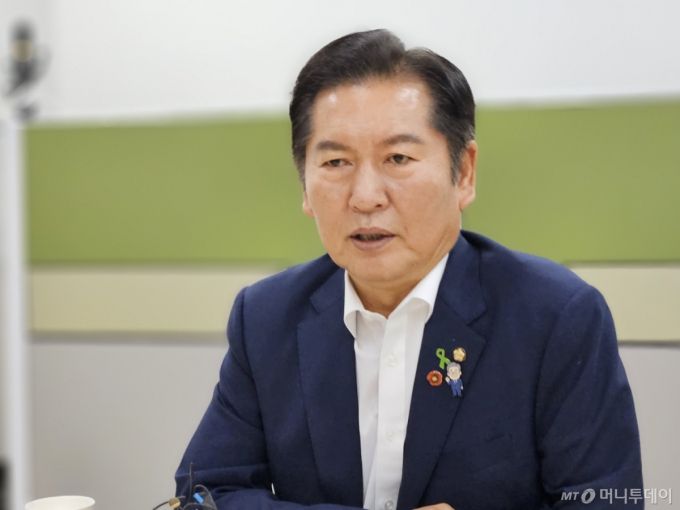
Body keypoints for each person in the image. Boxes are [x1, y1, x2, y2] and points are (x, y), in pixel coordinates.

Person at [175, 29, 642, 510]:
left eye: (397, 158)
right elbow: (204, 497)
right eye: (336, 162)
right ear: (304, 185)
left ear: (464, 172)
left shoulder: (555, 317)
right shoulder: (266, 318)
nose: (365, 197)